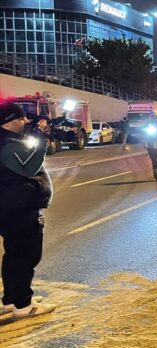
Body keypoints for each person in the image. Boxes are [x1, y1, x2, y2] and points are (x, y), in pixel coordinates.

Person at [0, 102, 56, 319]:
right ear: (9, 122)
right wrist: (41, 140)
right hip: (18, 209)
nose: (25, 122)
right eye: (21, 119)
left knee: (14, 254)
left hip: (10, 207)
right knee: (26, 256)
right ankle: (23, 305)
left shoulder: (8, 140)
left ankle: (11, 300)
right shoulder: (6, 143)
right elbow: (28, 168)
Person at [121, 116, 157, 181]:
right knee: (155, 161)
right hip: (152, 145)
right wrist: (145, 143)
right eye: (154, 117)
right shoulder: (148, 125)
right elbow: (144, 135)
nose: (155, 118)